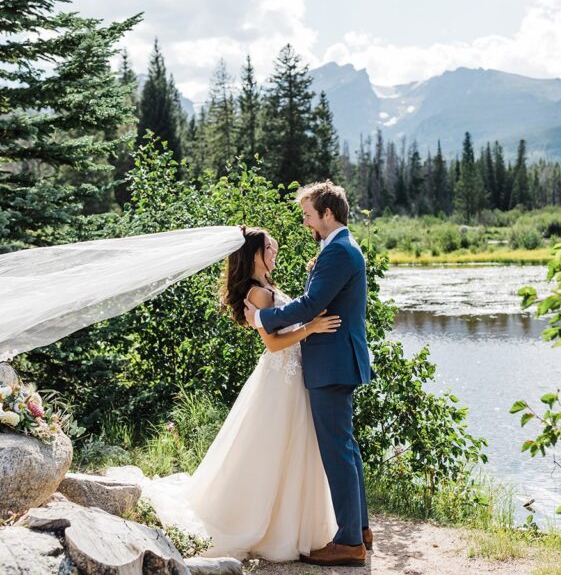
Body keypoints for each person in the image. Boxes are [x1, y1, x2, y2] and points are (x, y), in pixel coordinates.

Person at [106, 225, 342, 562]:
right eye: (270, 248)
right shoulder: (258, 293)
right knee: (270, 451)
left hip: (291, 380)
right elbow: (274, 345)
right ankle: (260, 523)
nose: (275, 252)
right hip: (280, 380)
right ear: (255, 255)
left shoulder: (267, 286)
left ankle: (292, 523)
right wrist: (311, 328)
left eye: (274, 247)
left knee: (289, 451)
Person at [244, 180, 373, 567]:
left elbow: (312, 304)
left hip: (331, 362)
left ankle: (350, 541)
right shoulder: (338, 249)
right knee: (346, 447)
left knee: (338, 451)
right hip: (337, 360)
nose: (305, 223)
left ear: (327, 214)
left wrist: (262, 318)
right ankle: (360, 529)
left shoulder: (339, 253)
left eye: (308, 215)